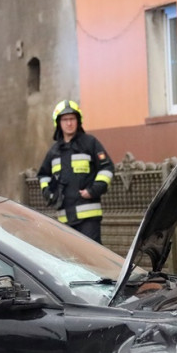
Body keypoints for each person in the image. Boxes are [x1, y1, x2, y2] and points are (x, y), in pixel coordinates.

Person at [37, 99, 113, 244]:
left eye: (72, 118)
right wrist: (48, 192)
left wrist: (93, 190)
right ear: (58, 123)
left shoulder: (90, 143)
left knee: (91, 255)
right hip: (64, 219)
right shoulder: (54, 151)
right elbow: (43, 175)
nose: (69, 123)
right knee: (70, 257)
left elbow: (107, 168)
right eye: (65, 119)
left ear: (78, 121)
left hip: (88, 218)